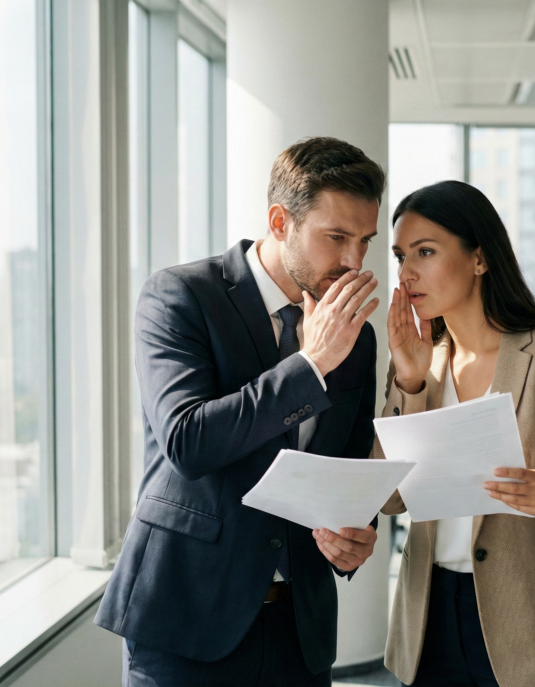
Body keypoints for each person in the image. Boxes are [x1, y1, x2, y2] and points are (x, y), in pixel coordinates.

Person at [95, 137, 385, 686]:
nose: (354, 261)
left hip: (299, 633)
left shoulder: (356, 337)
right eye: (336, 237)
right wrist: (312, 364)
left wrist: (355, 535)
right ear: (280, 222)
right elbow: (188, 441)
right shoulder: (180, 296)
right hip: (185, 620)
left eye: (364, 241)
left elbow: (346, 467)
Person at [376, 181, 535, 687]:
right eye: (401, 256)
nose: (407, 273)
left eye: (425, 252)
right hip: (429, 617)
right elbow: (389, 499)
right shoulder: (419, 363)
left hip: (534, 622)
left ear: (479, 258)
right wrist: (408, 381)